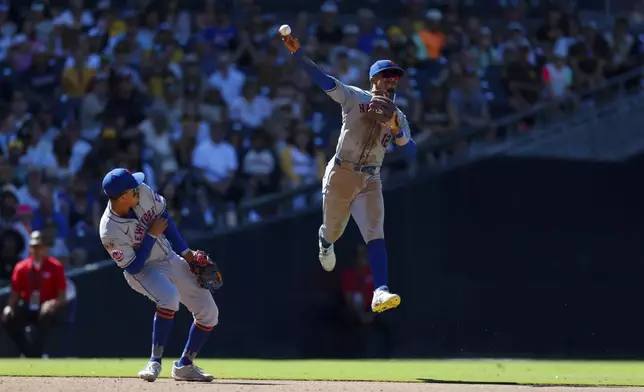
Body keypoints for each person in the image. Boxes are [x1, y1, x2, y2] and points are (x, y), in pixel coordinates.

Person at [281, 30, 417, 313]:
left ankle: (380, 290)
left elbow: (412, 152)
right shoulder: (355, 97)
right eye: (386, 75)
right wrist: (299, 54)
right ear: (373, 79)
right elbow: (324, 82)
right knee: (335, 229)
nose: (392, 80)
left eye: (395, 76)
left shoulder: (398, 115)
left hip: (370, 177)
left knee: (375, 232)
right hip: (341, 172)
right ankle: (325, 241)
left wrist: (397, 131)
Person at [98, 168, 220, 382]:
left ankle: (185, 366)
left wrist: (187, 254)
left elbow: (165, 220)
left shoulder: (142, 192)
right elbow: (133, 267)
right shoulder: (109, 231)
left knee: (209, 312)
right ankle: (154, 361)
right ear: (124, 196)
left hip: (167, 256)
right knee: (169, 298)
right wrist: (152, 236)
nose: (139, 188)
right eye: (133, 188)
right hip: (141, 270)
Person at [1, 230, 67, 357]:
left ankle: (36, 353)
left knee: (46, 314)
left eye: (39, 247)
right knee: (8, 317)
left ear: (45, 248)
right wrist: (9, 307)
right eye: (33, 247)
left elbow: (62, 296)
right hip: (27, 304)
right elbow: (15, 294)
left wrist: (52, 303)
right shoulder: (21, 267)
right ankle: (29, 352)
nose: (36, 250)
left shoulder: (55, 266)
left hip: (47, 307)